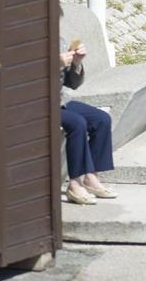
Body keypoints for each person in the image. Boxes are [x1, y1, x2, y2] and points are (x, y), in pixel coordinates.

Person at [61, 39, 117, 205]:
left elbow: (72, 84)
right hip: (38, 102)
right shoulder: (26, 42)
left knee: (102, 119)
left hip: (61, 100)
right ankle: (75, 184)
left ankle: (91, 177)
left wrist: (76, 63)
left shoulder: (59, 41)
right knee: (77, 123)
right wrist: (55, 64)